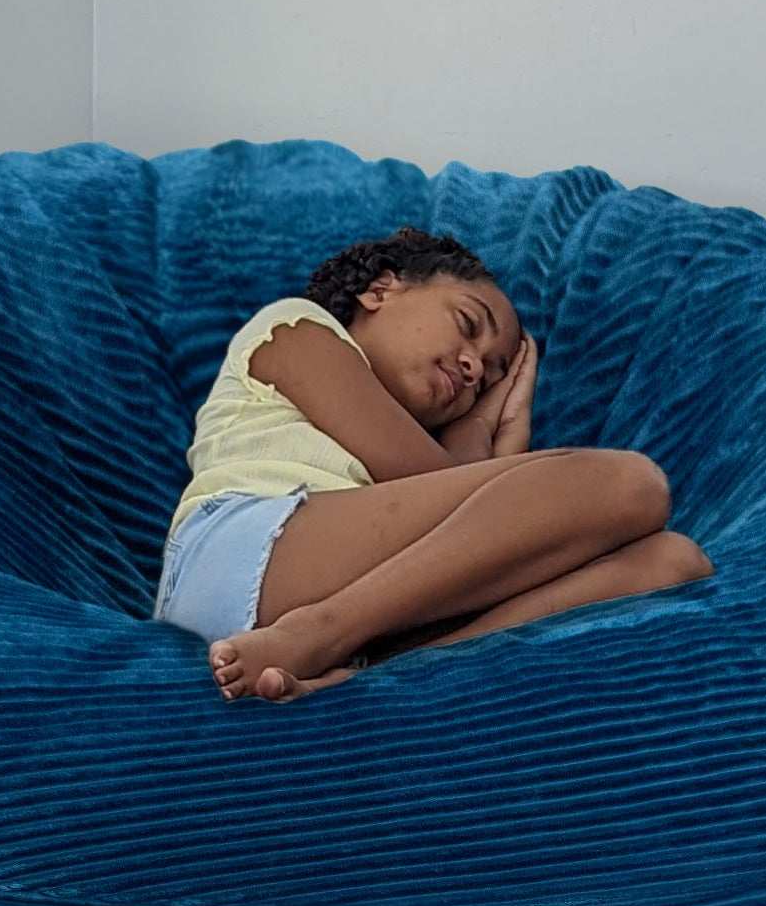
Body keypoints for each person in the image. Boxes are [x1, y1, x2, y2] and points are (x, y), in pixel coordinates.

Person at [156, 227, 710, 703]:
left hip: (358, 611)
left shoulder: (418, 479)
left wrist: (496, 437)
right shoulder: (298, 329)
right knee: (627, 483)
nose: (474, 368)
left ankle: (376, 672)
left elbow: (457, 504)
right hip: (240, 552)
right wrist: (489, 430)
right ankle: (320, 631)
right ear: (381, 289)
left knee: (672, 562)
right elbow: (424, 476)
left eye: (492, 378)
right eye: (468, 324)